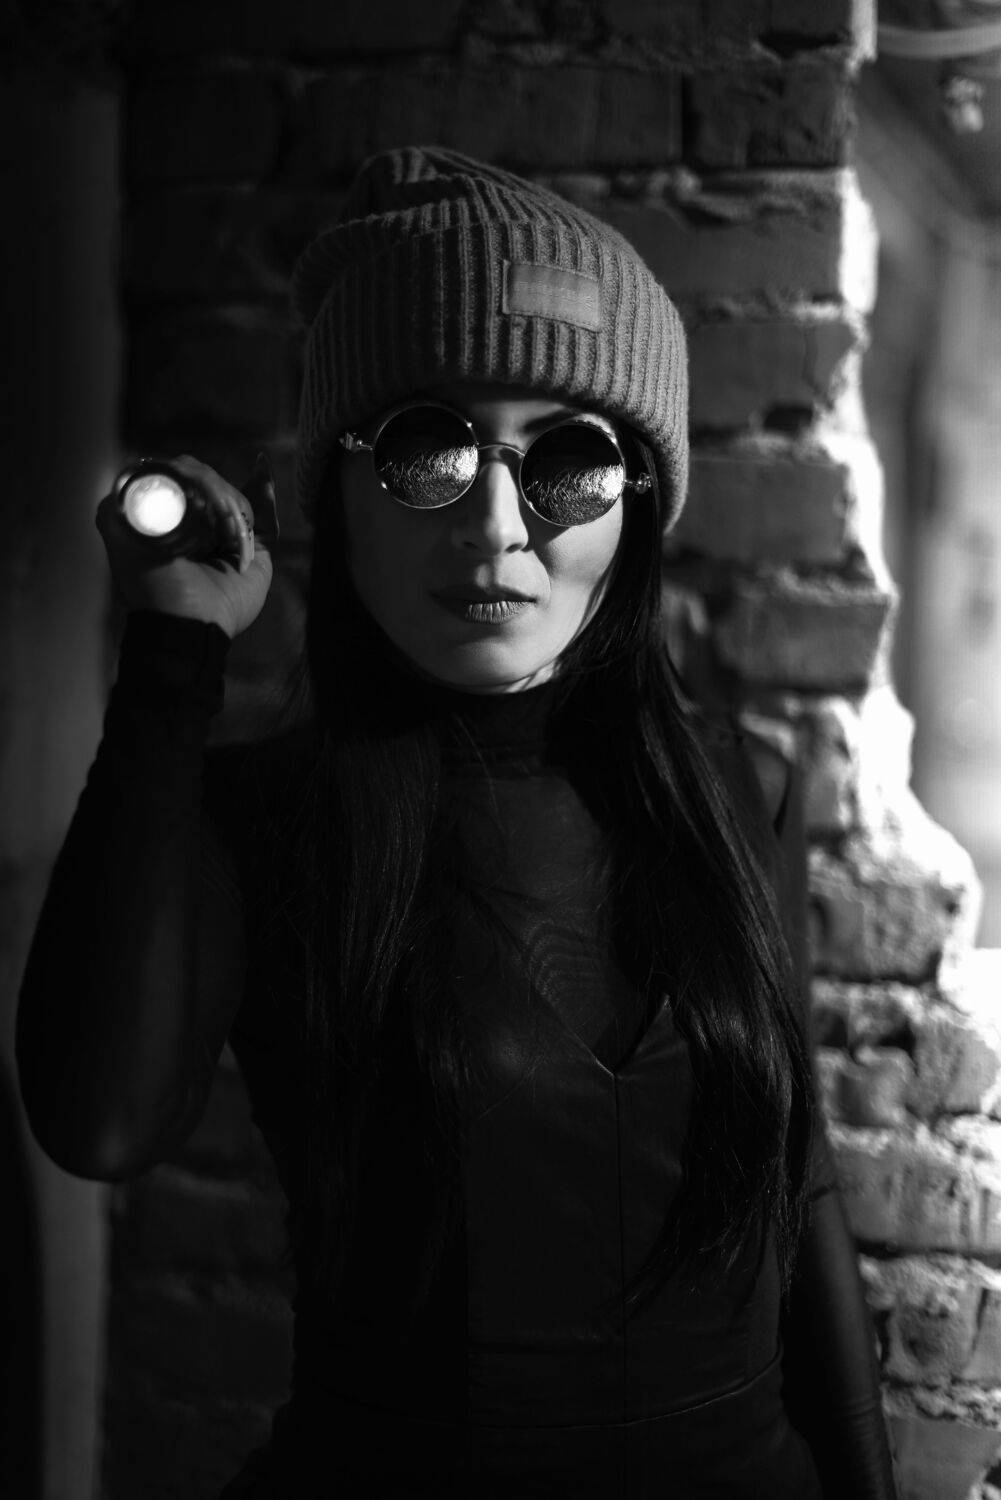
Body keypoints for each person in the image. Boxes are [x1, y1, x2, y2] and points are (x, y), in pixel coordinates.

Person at [16, 147, 899, 1499]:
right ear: (337, 488)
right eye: (427, 451)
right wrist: (172, 656)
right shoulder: (271, 822)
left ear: (638, 503)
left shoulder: (741, 790)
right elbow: (99, 1124)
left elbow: (801, 1183)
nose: (494, 526)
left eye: (568, 462)